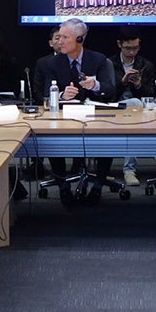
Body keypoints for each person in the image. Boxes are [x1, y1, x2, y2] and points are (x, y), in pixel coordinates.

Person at [41, 20, 119, 201]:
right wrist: (61, 95)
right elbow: (45, 95)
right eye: (59, 37)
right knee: (51, 138)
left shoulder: (98, 59)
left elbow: (110, 90)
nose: (60, 41)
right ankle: (63, 186)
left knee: (108, 137)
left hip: (95, 117)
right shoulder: (52, 63)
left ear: (79, 39)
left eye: (65, 37)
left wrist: (95, 85)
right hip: (65, 118)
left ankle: (98, 185)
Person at [113, 31, 156, 102]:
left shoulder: (146, 65)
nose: (132, 52)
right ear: (119, 44)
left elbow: (152, 95)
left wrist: (139, 85)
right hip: (114, 104)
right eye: (127, 48)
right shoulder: (110, 64)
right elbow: (106, 93)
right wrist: (123, 82)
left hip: (140, 105)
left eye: (135, 48)